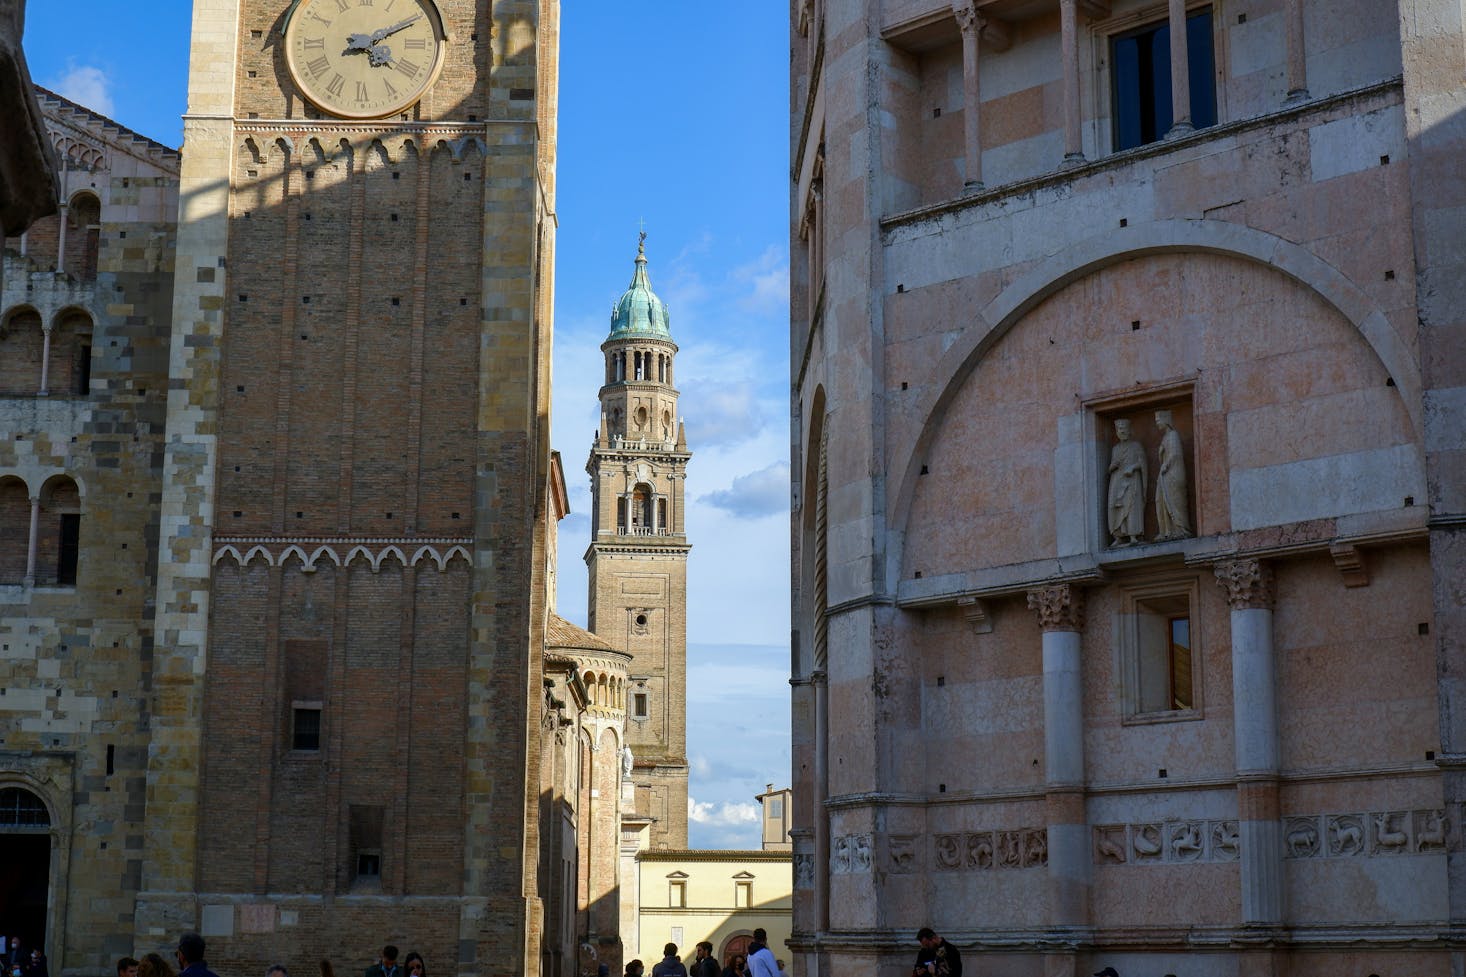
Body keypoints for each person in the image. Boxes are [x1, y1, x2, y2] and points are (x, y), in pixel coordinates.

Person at [1107, 418, 1147, 546]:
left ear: (1129, 430)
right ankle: (1118, 535)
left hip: (1132, 480)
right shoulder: (1115, 449)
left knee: (1132, 506)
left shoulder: (1136, 446)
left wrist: (1133, 467)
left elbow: (1143, 464)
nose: (1121, 431)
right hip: (1117, 481)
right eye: (1119, 429)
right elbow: (1110, 467)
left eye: (1123, 429)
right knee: (1116, 507)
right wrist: (1113, 465)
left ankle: (1133, 535)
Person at [1153, 409, 1190, 539]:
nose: (1157, 424)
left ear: (1166, 421)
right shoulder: (1165, 437)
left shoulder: (1173, 435)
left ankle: (1179, 529)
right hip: (1165, 474)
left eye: (1158, 421)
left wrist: (1166, 464)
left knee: (1174, 500)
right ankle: (1166, 531)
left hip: (1173, 473)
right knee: (1161, 500)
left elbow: (1175, 454)